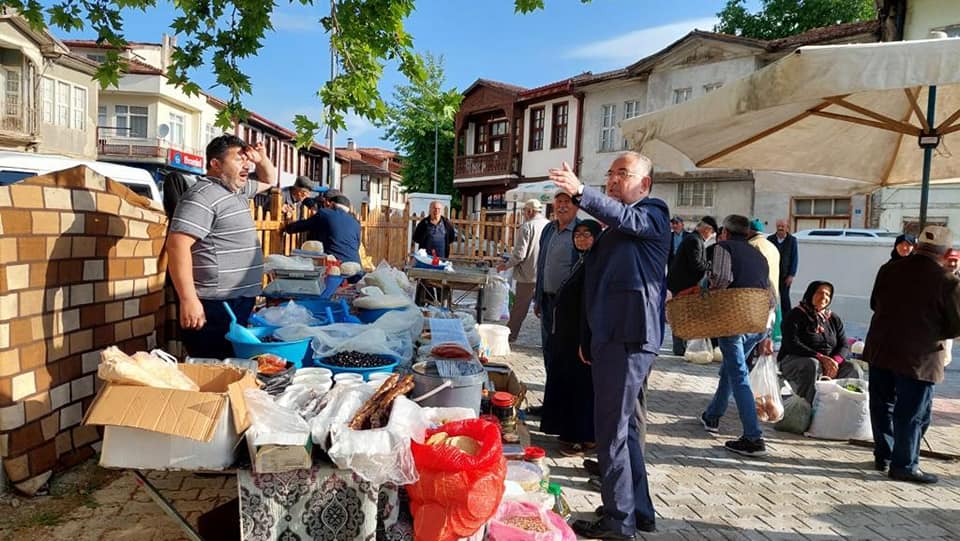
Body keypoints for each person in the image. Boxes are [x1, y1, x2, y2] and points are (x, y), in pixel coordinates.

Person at [550, 152, 668, 538]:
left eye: (624, 174)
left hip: (628, 336)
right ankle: (639, 510)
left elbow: (626, 217)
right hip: (612, 336)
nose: (614, 180)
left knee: (611, 430)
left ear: (645, 184)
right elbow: (597, 287)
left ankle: (620, 522)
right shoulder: (616, 226)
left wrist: (582, 191)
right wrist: (588, 336)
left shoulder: (652, 213)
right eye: (611, 174)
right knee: (627, 428)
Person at [166, 135, 276, 359]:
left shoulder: (235, 190)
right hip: (213, 306)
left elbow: (269, 180)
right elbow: (177, 245)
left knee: (232, 366)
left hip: (236, 302)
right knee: (213, 368)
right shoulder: (201, 196)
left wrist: (261, 158)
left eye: (247, 160)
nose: (247, 165)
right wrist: (188, 299)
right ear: (215, 164)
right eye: (239, 159)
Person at [865, 225, 960, 484]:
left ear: (916, 246)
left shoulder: (889, 269)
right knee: (912, 412)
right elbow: (956, 325)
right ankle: (904, 464)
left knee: (883, 405)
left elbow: (875, 303)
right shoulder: (947, 281)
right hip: (920, 357)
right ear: (947, 252)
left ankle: (884, 455)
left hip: (882, 348)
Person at [700, 215, 775, 457]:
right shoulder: (759, 255)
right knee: (731, 370)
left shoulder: (722, 248)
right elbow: (771, 293)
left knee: (739, 374)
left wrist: (707, 293)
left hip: (733, 320)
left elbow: (721, 279)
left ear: (725, 232)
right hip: (758, 322)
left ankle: (753, 437)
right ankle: (712, 416)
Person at [540, 219, 601, 456]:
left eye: (587, 235)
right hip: (566, 338)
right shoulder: (583, 262)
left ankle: (581, 437)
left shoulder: (595, 265)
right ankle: (573, 434)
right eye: (578, 235)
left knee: (581, 389)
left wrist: (584, 342)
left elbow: (591, 307)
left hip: (579, 341)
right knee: (569, 386)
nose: (581, 239)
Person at [778, 281, 863, 405]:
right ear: (810, 294)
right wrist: (821, 357)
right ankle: (806, 408)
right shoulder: (795, 315)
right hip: (795, 360)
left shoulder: (833, 318)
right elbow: (792, 344)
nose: (824, 297)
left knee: (854, 369)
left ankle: (847, 406)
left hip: (828, 363)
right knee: (812, 364)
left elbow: (844, 344)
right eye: (819, 293)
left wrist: (835, 361)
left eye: (828, 294)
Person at [532, 191, 579, 378]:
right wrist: (537, 297)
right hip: (546, 300)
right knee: (548, 349)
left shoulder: (581, 231)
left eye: (567, 202)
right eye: (559, 201)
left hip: (568, 305)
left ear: (576, 206)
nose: (562, 206)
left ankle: (562, 400)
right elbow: (542, 264)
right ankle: (550, 398)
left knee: (565, 351)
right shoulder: (548, 229)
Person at [497, 199, 549, 342]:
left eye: (524, 211)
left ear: (529, 211)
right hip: (545, 275)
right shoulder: (549, 225)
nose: (523, 214)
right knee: (546, 309)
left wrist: (505, 265)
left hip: (528, 275)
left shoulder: (527, 226)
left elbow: (520, 254)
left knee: (519, 308)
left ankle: (510, 336)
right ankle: (548, 339)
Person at [666, 216, 718, 355]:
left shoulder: (695, 239)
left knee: (684, 315)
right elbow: (696, 264)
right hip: (683, 284)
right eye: (711, 233)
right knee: (681, 315)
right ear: (706, 229)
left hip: (684, 283)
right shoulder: (694, 240)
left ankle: (681, 347)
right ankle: (679, 348)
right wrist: (711, 266)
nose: (710, 236)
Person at [284, 194, 361, 263]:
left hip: (335, 264)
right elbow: (357, 245)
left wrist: (287, 227)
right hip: (355, 266)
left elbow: (303, 225)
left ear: (332, 204)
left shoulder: (324, 213)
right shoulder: (356, 223)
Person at [768, 219, 799, 317]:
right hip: (772, 275)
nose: (780, 228)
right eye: (778, 226)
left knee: (785, 299)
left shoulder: (792, 240)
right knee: (771, 298)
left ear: (787, 228)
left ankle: (788, 320)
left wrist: (791, 275)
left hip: (785, 275)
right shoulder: (770, 239)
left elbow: (795, 258)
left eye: (782, 226)